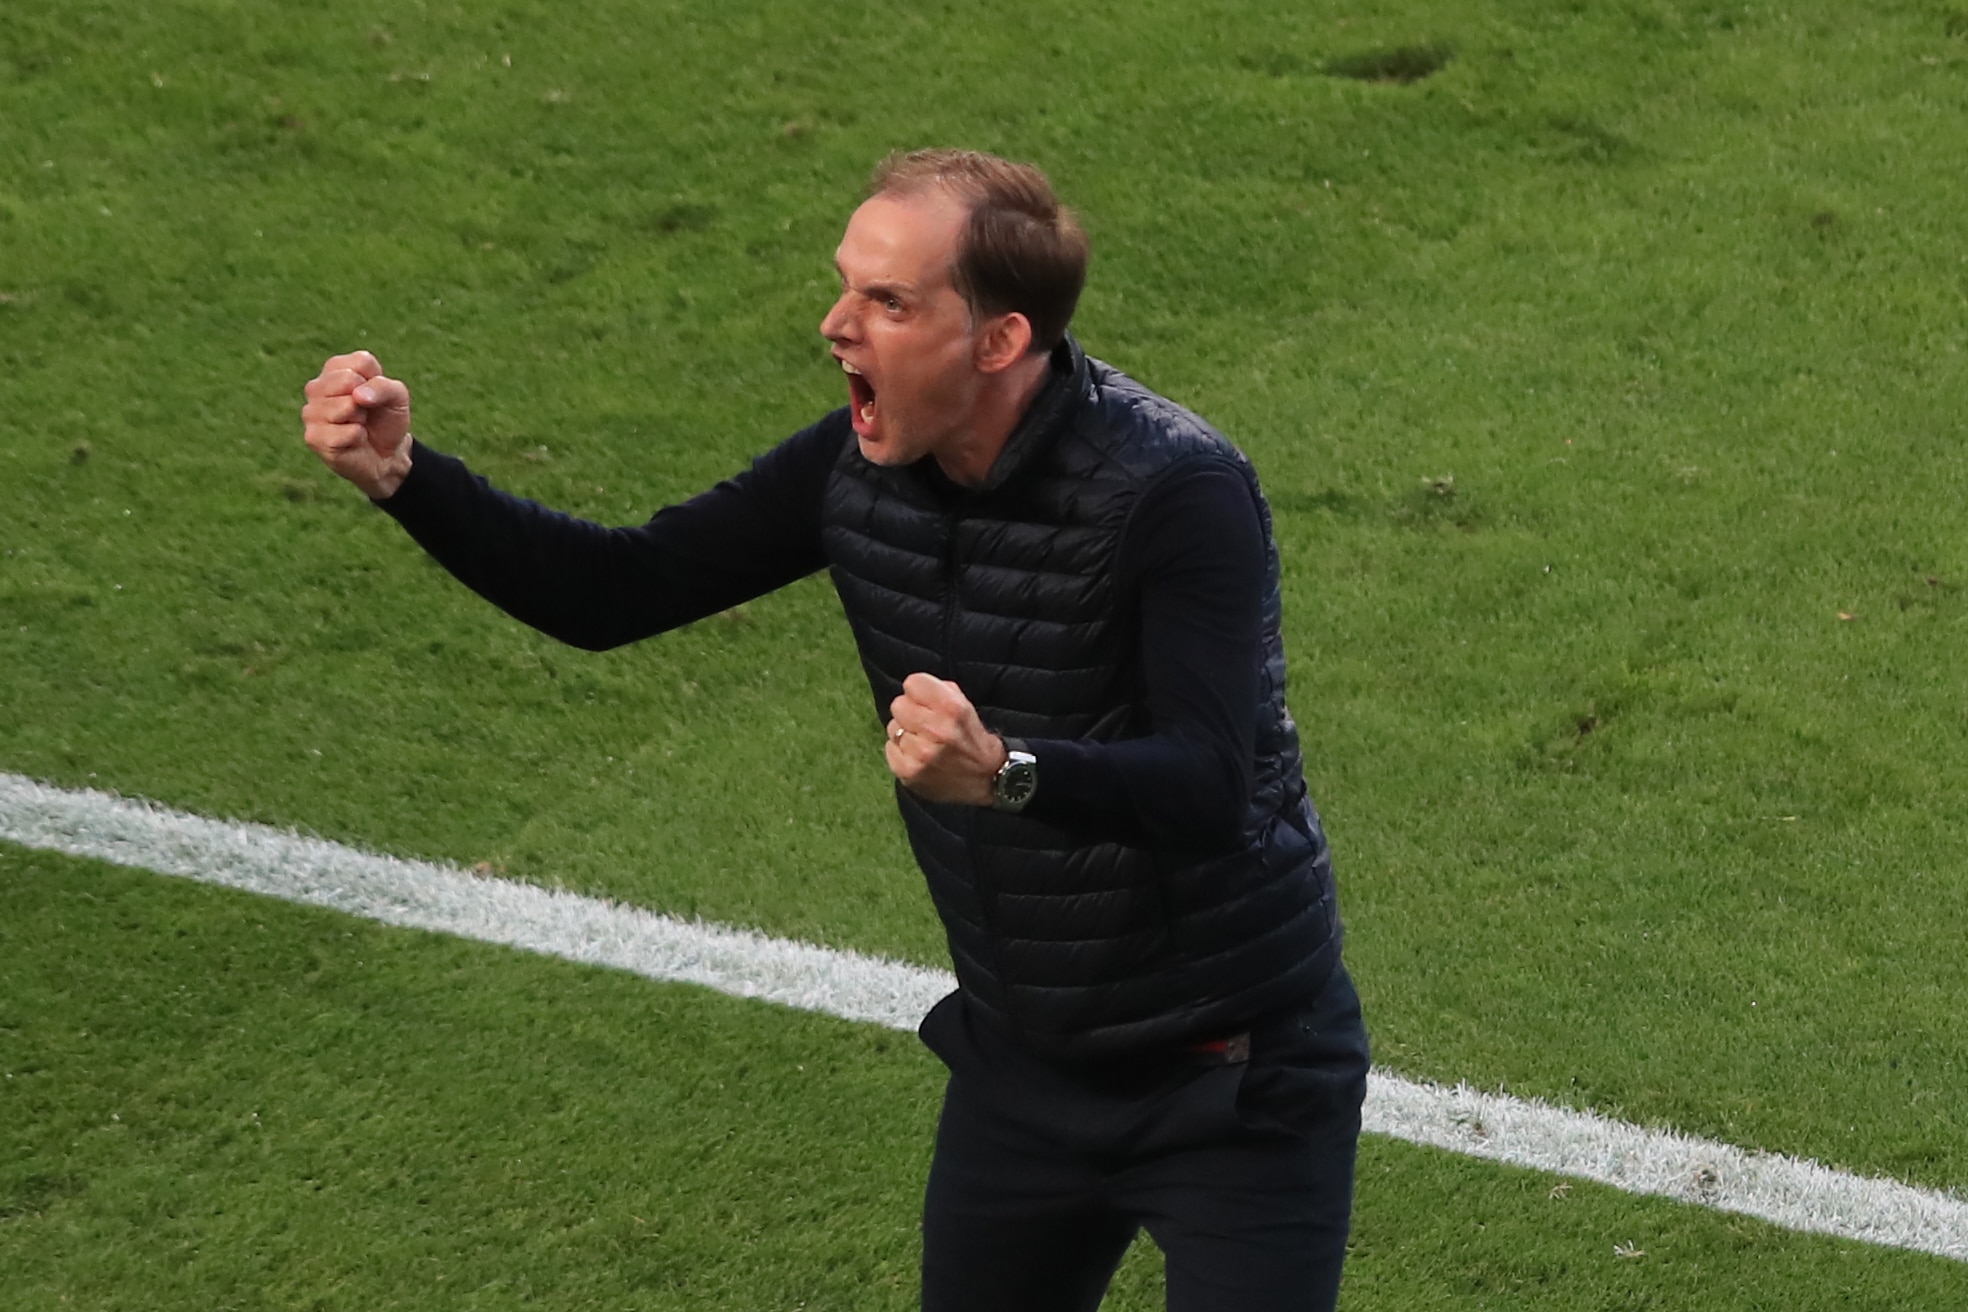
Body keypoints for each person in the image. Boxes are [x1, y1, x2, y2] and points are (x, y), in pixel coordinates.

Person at [301, 149, 1369, 1312]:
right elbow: (613, 592)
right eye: (846, 287)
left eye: (888, 302)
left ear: (999, 340)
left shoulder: (1176, 493)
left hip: (1231, 1076)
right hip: (1022, 1070)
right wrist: (405, 476)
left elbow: (1214, 786)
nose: (836, 326)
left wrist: (1006, 772)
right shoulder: (853, 472)